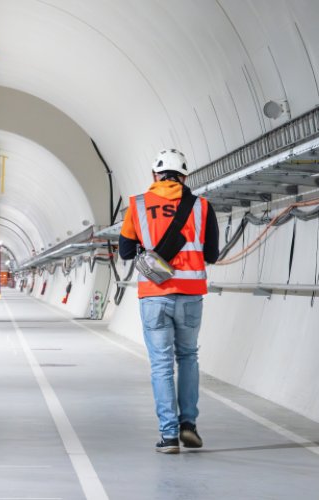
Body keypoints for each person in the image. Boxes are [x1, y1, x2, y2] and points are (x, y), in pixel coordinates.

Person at [118, 149, 220, 454]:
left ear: (154, 176)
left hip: (154, 295)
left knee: (161, 365)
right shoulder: (202, 207)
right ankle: (189, 424)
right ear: (184, 176)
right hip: (190, 296)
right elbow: (212, 254)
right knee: (188, 357)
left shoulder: (136, 205)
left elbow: (125, 252)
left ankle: (169, 435)